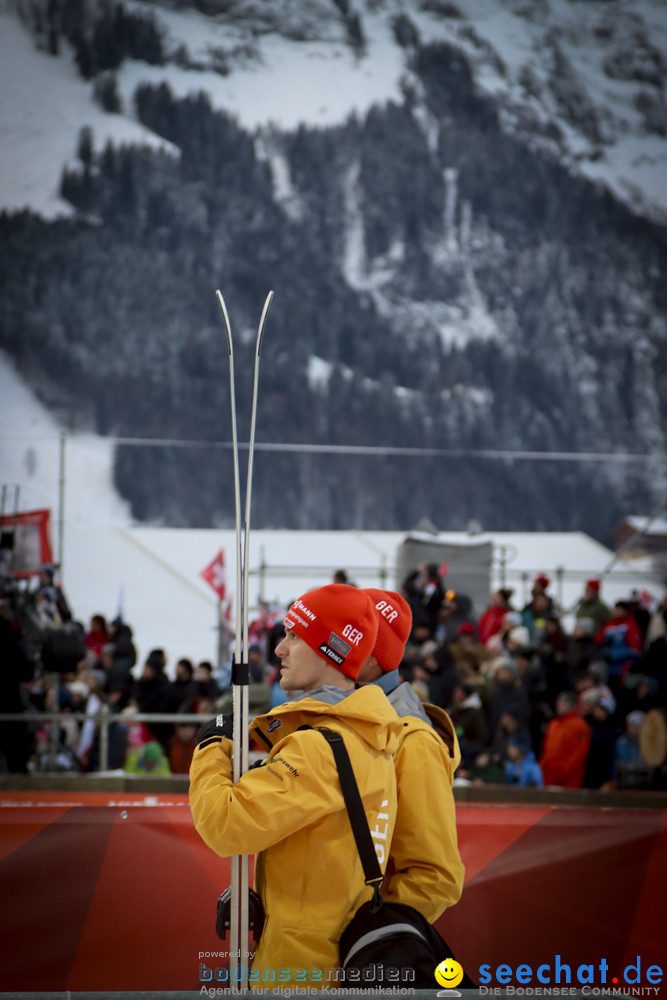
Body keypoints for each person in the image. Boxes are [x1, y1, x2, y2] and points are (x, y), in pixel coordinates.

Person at [189, 584, 402, 986]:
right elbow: (325, 859)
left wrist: (210, 746)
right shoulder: (372, 737)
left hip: (299, 971)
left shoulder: (319, 748)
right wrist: (271, 905)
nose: (279, 650)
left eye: (294, 636)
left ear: (331, 652)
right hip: (330, 954)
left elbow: (225, 823)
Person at [357, 588, 464, 922]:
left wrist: (369, 942)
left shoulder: (413, 740)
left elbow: (433, 878)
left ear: (371, 656)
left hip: (352, 962)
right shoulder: (354, 716)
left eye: (344, 637)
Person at [539, 691, 591, 788]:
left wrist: (563, 771)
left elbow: (579, 754)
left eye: (562, 702)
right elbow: (546, 749)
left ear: (570, 705)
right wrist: (542, 767)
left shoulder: (579, 726)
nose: (558, 705)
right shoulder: (554, 724)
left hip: (568, 779)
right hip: (548, 777)